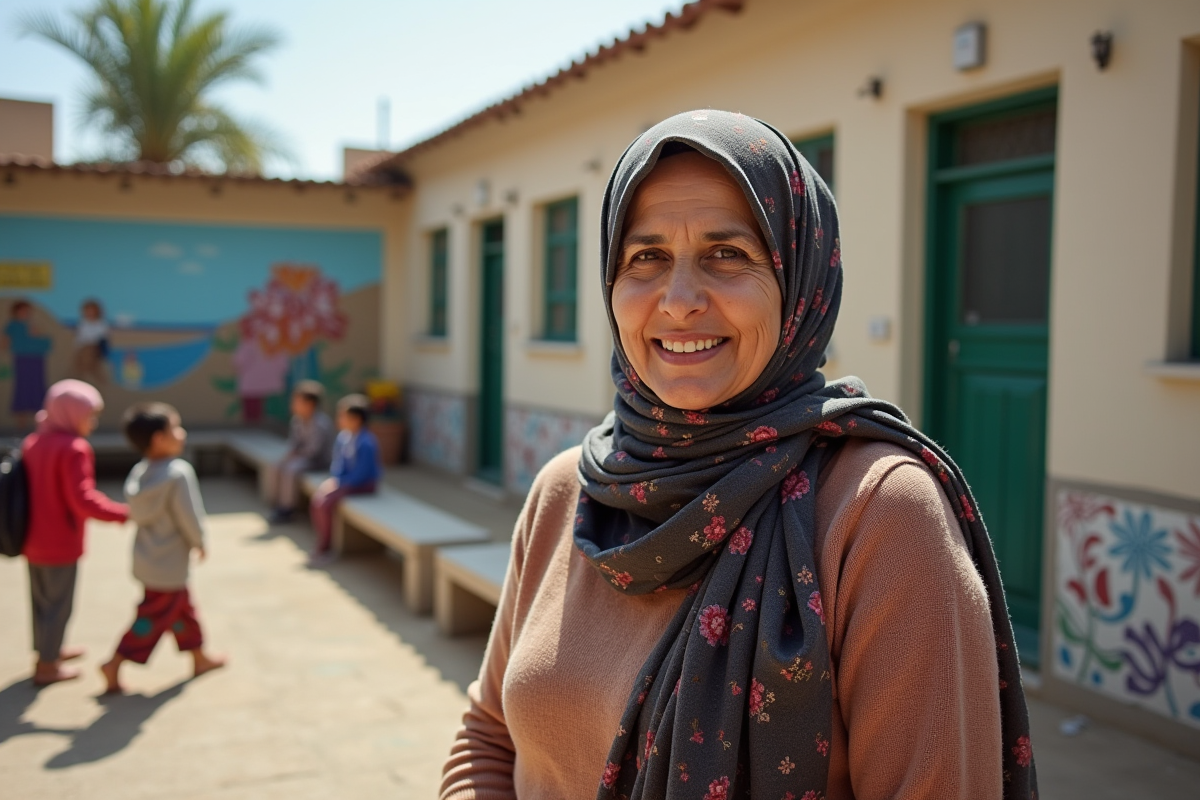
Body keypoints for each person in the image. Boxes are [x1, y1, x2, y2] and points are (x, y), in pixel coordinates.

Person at [440, 111, 1036, 800]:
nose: (681, 300)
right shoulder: (566, 492)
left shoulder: (879, 515)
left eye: (728, 254)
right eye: (646, 257)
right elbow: (487, 737)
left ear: (801, 285)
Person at [100, 402, 225, 693]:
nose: (182, 434)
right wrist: (200, 542)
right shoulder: (177, 473)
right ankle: (116, 661)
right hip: (169, 564)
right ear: (159, 438)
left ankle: (198, 655)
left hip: (148, 560)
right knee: (152, 618)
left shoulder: (140, 473)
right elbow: (189, 516)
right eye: (176, 428)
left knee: (183, 611)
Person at [21, 379, 129, 686]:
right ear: (70, 413)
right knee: (59, 605)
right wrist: (121, 513)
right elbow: (82, 499)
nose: (92, 423)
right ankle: (47, 666)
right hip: (60, 543)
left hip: (32, 540)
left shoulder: (34, 442)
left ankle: (47, 650)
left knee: (42, 601)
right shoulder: (74, 449)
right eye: (89, 415)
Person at [307, 393, 381, 566]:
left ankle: (326, 547)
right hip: (346, 483)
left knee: (324, 503)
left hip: (364, 485)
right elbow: (338, 464)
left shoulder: (367, 442)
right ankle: (323, 542)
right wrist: (335, 480)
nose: (339, 419)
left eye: (343, 416)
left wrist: (340, 484)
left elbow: (362, 474)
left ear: (356, 419)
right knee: (318, 500)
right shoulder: (343, 438)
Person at [267, 380, 333, 523]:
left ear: (309, 404)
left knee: (291, 469)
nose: (293, 405)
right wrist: (289, 455)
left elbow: (314, 451)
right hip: (303, 458)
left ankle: (287, 509)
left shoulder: (320, 423)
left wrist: (295, 456)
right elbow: (293, 444)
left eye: (297, 401)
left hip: (319, 462)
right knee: (276, 465)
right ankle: (276, 502)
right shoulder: (297, 420)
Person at [4, 300, 53, 430]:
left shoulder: (33, 325)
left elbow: (43, 340)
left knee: (38, 389)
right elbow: (5, 342)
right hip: (22, 359)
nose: (25, 313)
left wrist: (36, 333)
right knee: (22, 390)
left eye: (27, 310)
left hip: (36, 359)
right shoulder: (12, 325)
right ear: (16, 311)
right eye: (22, 310)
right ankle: (21, 427)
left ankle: (41, 427)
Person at [73, 298, 110, 386]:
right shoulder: (83, 324)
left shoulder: (101, 324)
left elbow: (103, 339)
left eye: (91, 311)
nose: (89, 313)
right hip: (83, 349)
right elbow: (79, 339)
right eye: (87, 311)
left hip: (96, 349)